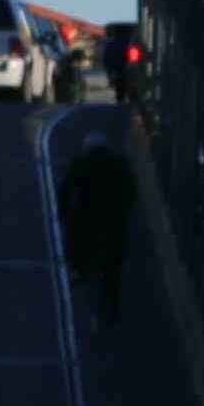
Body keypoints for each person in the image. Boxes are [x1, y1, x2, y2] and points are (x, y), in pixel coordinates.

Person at [56, 135, 137, 333]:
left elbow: (64, 190)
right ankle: (112, 310)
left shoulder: (82, 163)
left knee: (74, 238)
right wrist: (123, 212)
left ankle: (77, 268)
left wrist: (63, 211)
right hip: (113, 222)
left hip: (88, 219)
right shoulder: (119, 165)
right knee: (112, 268)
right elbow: (130, 192)